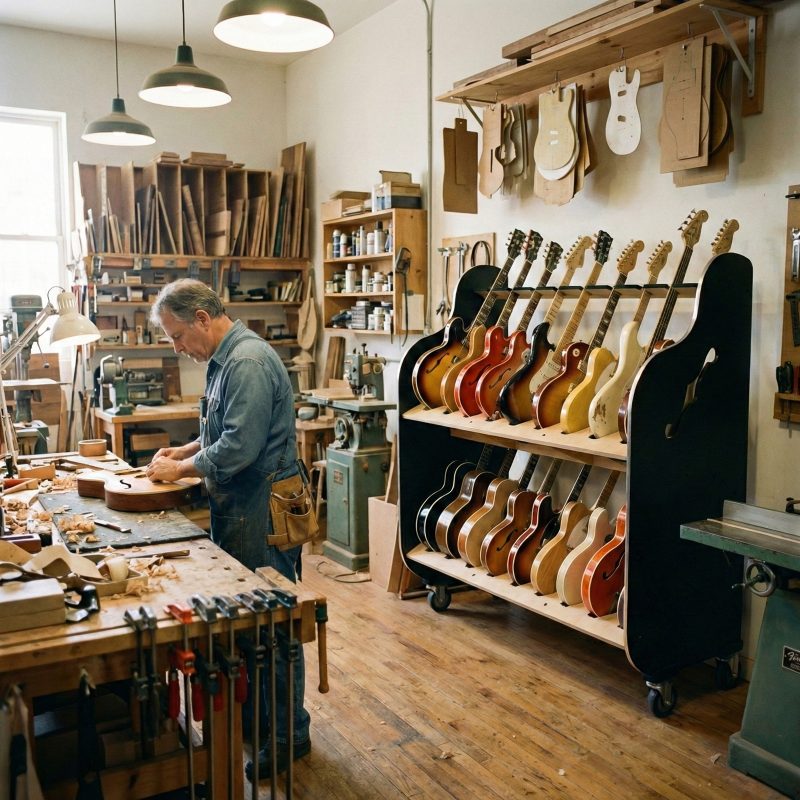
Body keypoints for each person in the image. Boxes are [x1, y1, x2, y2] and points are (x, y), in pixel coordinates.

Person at [146, 278, 310, 779]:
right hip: (240, 502)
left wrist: (181, 472)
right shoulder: (221, 361)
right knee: (247, 620)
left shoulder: (247, 362)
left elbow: (239, 447)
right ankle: (262, 718)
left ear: (201, 318)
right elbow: (220, 432)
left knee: (272, 623)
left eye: (176, 336)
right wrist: (186, 451)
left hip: (262, 506)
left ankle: (289, 737)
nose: (177, 348)